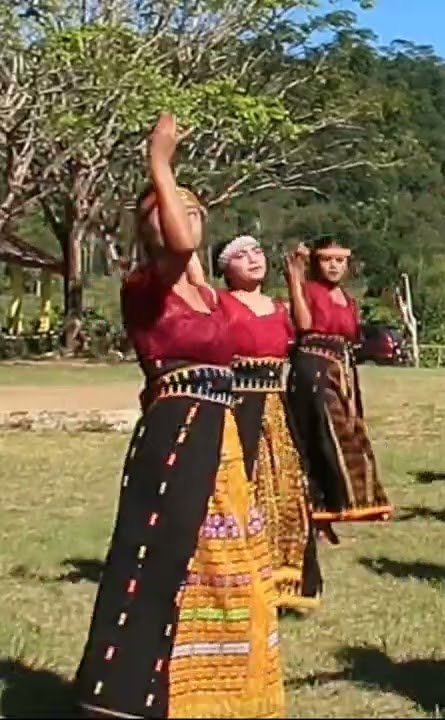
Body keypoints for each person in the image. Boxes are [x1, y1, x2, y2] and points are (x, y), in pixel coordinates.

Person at [74, 114, 285, 718]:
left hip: (220, 433)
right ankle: (124, 695)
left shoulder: (214, 298)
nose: (184, 212)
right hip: (177, 431)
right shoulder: (145, 286)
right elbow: (181, 246)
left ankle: (213, 691)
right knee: (163, 556)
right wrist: (159, 161)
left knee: (227, 561)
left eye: (194, 206)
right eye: (169, 206)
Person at [215, 234, 323, 613]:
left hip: (277, 406)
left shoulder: (278, 307)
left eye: (257, 251)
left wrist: (295, 276)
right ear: (224, 268)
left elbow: (305, 328)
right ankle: (238, 580)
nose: (252, 259)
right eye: (240, 255)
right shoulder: (218, 304)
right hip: (236, 406)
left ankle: (285, 577)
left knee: (286, 490)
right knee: (240, 488)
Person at [284, 239, 392, 524]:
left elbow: (354, 337)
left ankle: (362, 497)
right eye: (327, 260)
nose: (334, 266)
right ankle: (330, 499)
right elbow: (304, 325)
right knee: (328, 430)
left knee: (352, 427)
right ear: (316, 263)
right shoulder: (309, 291)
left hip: (342, 369)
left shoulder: (349, 300)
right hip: (314, 368)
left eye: (340, 260)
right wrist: (295, 280)